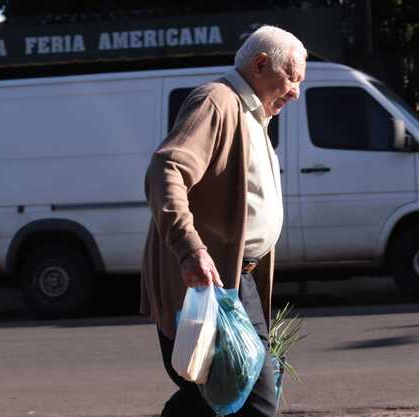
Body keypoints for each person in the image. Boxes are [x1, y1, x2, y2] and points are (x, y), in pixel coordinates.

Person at [140, 25, 307, 417]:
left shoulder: (254, 113)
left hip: (237, 280)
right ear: (261, 63)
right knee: (255, 399)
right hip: (210, 281)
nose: (296, 92)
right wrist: (189, 249)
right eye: (292, 79)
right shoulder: (216, 101)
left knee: (218, 395)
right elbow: (166, 170)